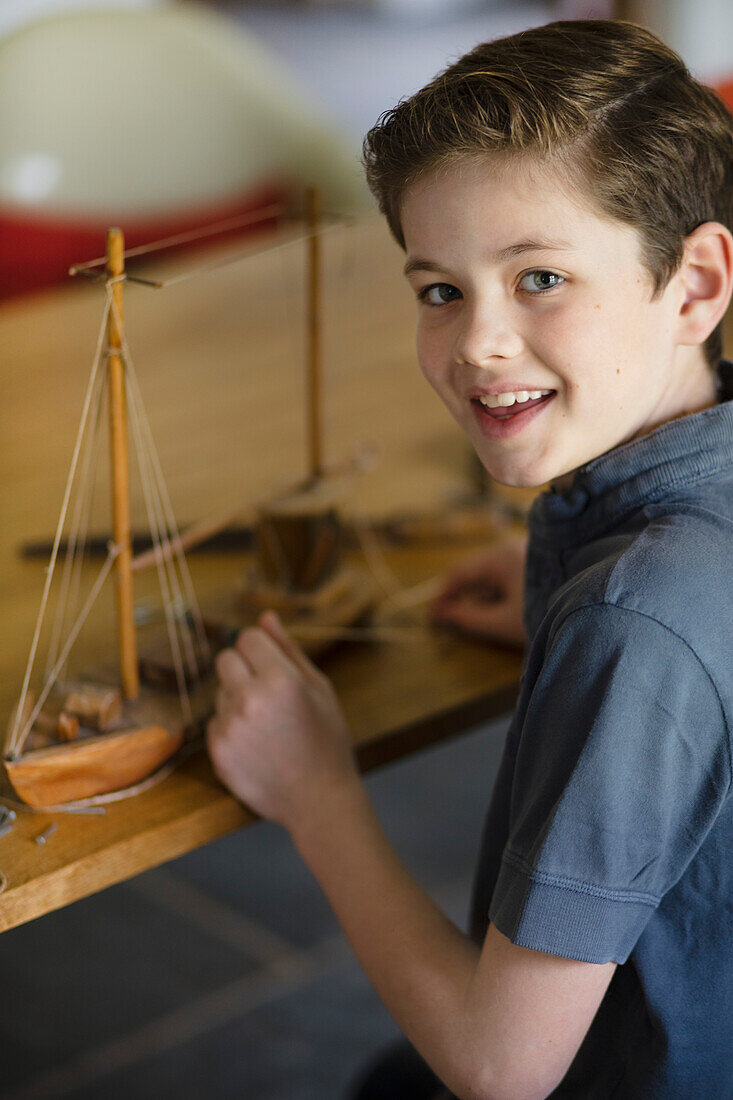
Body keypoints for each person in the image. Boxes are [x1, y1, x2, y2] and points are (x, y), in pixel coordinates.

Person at [206, 19, 733, 1098]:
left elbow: (501, 1066)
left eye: (537, 276)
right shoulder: (652, 579)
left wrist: (315, 792)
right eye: (439, 289)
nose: (475, 342)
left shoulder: (637, 621)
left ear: (692, 285)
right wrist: (557, 607)